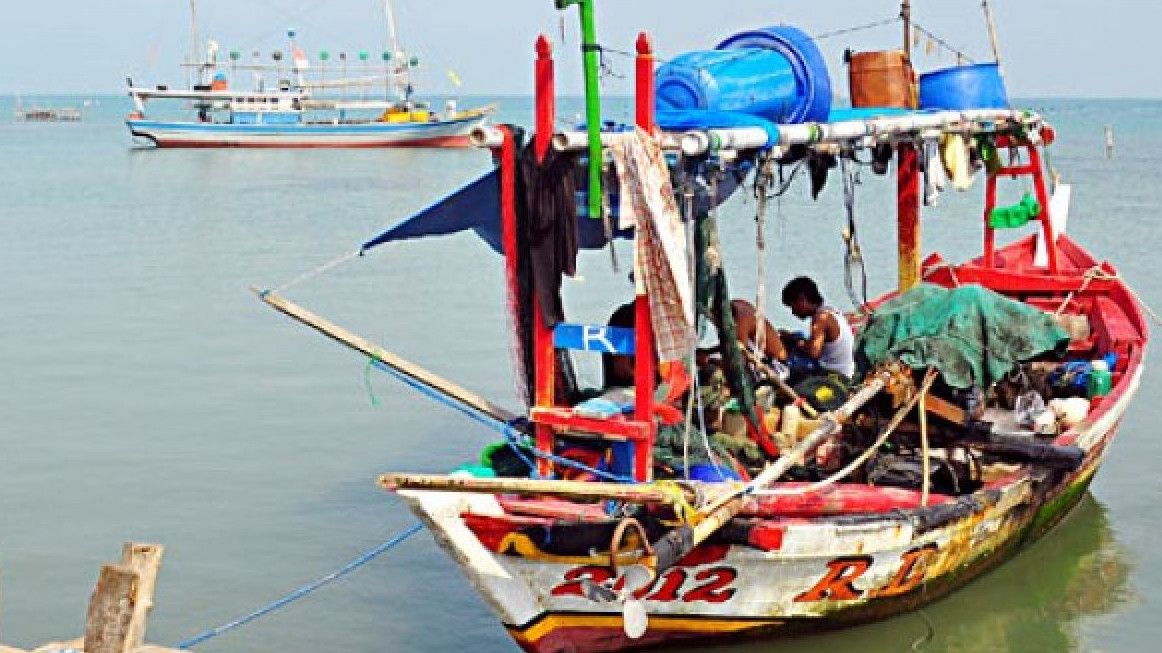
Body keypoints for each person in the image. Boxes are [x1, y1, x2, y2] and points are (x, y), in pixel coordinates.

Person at [780, 276, 856, 382]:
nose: (793, 312)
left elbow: (814, 352)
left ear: (802, 300)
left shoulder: (821, 319)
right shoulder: (829, 311)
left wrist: (795, 342)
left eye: (793, 306)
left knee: (784, 361)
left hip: (836, 374)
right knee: (798, 334)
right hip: (845, 368)